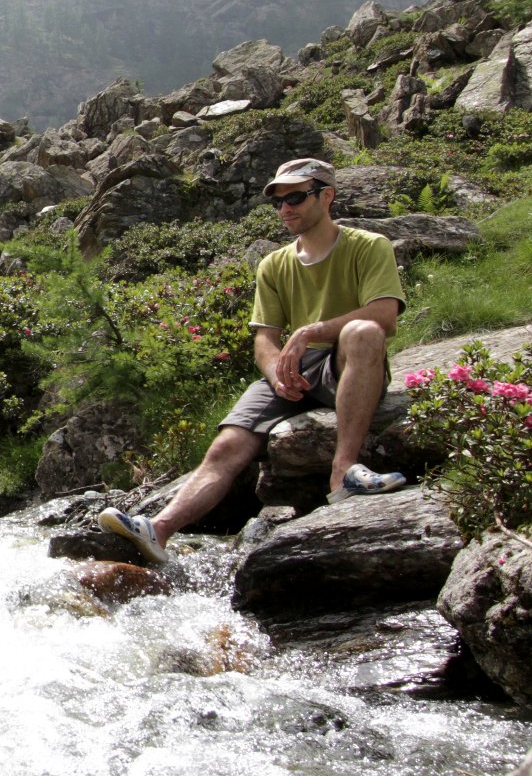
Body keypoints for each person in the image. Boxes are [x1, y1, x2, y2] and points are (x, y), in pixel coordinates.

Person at [99, 158, 408, 563]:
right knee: (227, 445)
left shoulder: (368, 246)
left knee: (362, 331)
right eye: (279, 202)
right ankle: (159, 529)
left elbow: (384, 315)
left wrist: (311, 332)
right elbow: (265, 339)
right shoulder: (274, 264)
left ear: (327, 196)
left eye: (296, 197)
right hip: (297, 372)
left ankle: (343, 472)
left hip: (346, 362)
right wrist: (277, 375)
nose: (286, 209)